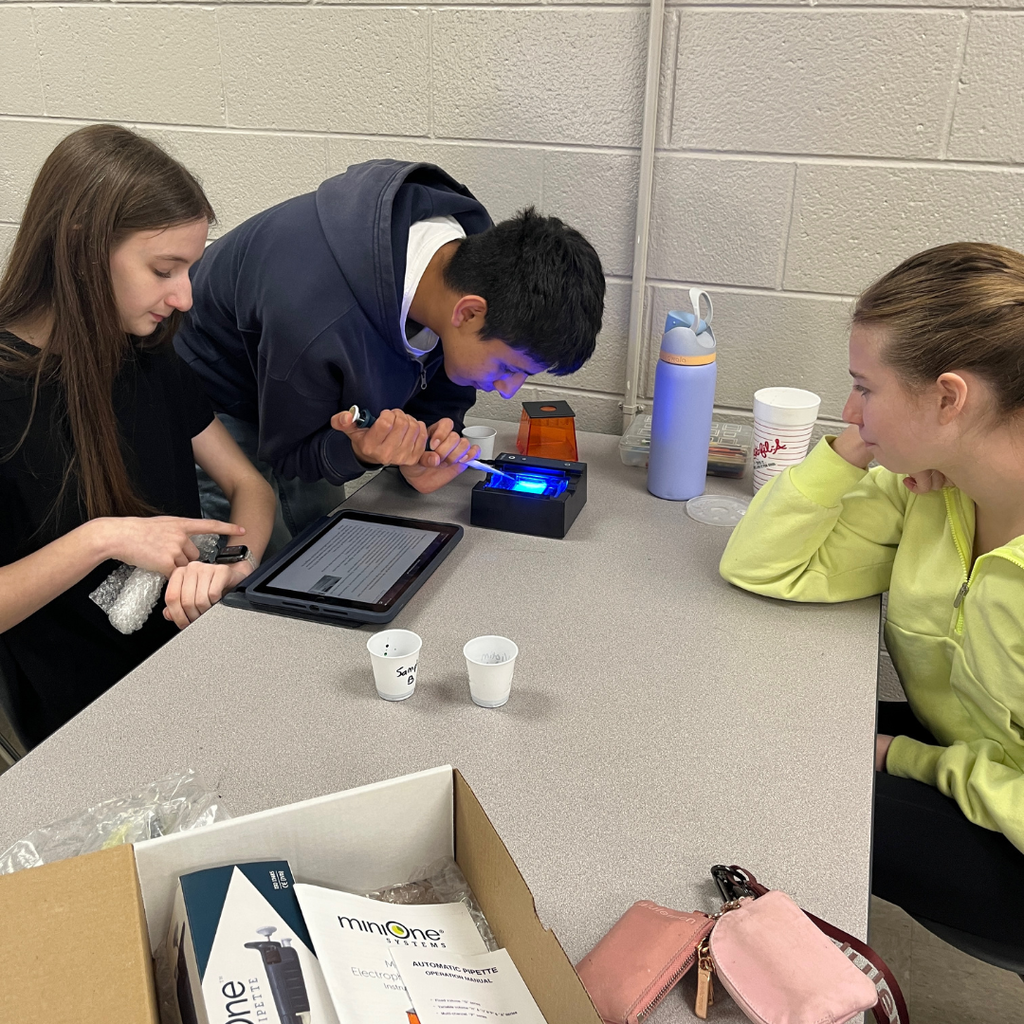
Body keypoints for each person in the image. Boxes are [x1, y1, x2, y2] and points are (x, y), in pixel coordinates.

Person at [720, 242, 1024, 948]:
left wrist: (901, 758)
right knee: (766, 742)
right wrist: (859, 449)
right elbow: (765, 566)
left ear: (949, 397)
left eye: (866, 388)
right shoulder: (932, 485)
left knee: (780, 808)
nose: (851, 409)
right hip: (968, 757)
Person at [0, 125, 276, 748]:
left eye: (189, 269)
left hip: (188, 675)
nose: (184, 297)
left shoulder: (148, 358)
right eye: (163, 270)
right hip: (83, 723)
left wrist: (236, 564)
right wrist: (105, 538)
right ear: (80, 247)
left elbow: (248, 485)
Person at [173, 160, 606, 544]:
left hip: (300, 384)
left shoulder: (470, 261)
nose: (509, 391)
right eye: (509, 368)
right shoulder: (316, 315)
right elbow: (291, 454)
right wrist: (363, 451)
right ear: (470, 313)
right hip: (213, 399)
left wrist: (430, 442)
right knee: (251, 579)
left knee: (321, 537)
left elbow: (439, 370)